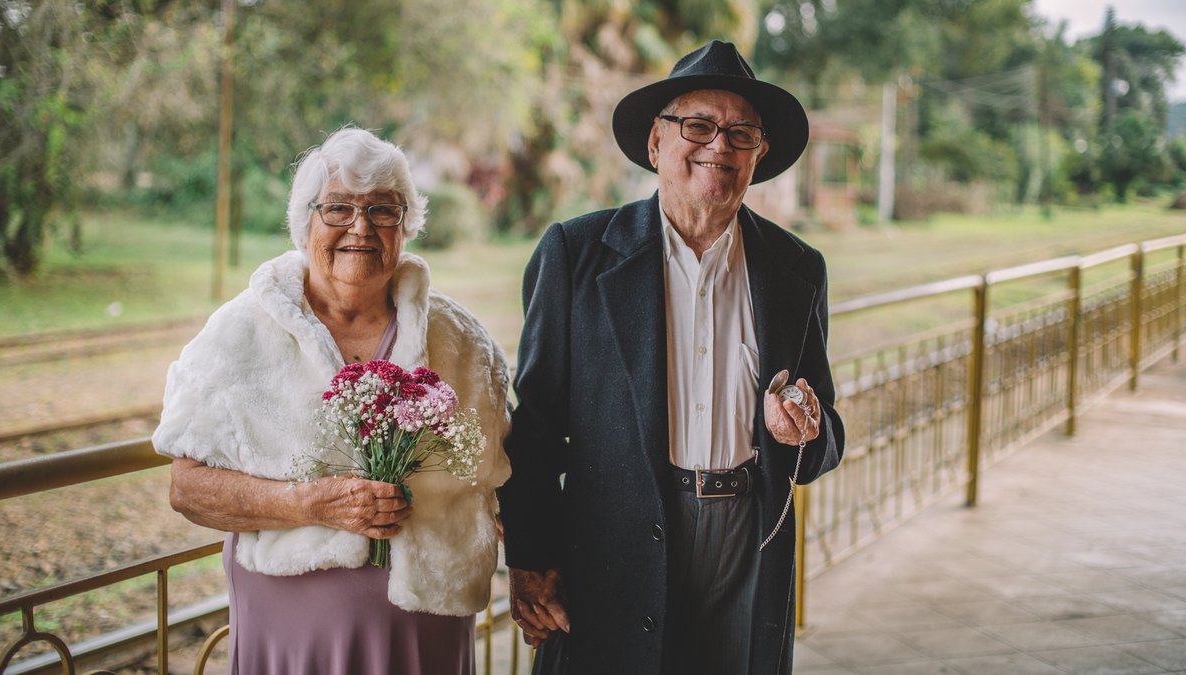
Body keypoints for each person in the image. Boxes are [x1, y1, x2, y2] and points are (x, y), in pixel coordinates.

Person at [497, 41, 844, 674]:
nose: (720, 146)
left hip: (749, 542)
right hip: (612, 539)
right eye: (699, 126)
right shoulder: (576, 255)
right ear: (657, 144)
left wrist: (804, 430)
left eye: (741, 133)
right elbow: (538, 425)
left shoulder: (798, 270)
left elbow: (827, 435)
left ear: (759, 156)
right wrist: (528, 557)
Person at [153, 127, 511, 674]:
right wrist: (309, 504)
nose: (360, 228)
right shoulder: (238, 334)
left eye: (383, 211)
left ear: (406, 225)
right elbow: (187, 488)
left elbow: (503, 469)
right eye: (338, 209)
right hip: (295, 636)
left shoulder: (463, 340)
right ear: (305, 225)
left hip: (424, 637)